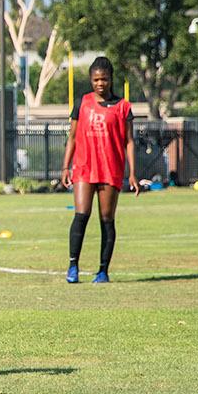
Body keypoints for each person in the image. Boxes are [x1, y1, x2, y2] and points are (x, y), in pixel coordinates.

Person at [59, 57, 137, 284]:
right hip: (84, 167)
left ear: (111, 80)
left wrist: (132, 173)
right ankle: (73, 266)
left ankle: (103, 271)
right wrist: (65, 166)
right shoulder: (82, 103)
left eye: (104, 79)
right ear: (91, 80)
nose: (100, 83)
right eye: (96, 80)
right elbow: (72, 137)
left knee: (106, 219)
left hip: (110, 168)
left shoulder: (123, 107)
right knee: (81, 214)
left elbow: (129, 141)